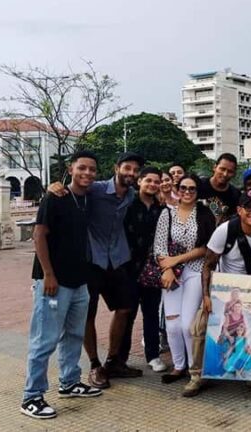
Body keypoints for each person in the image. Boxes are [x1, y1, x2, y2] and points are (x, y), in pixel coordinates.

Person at [49, 152, 146, 388]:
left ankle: (113, 360)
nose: (131, 173)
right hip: (92, 259)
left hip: (118, 258)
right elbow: (72, 190)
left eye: (135, 170)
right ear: (117, 168)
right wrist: (53, 187)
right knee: (87, 314)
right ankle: (94, 365)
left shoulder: (132, 194)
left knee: (125, 308)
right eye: (127, 168)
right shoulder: (97, 189)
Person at [21, 151, 103, 420]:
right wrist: (48, 275)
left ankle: (69, 381)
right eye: (82, 168)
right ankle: (32, 396)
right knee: (44, 339)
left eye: (92, 169)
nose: (87, 173)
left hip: (80, 281)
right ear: (71, 168)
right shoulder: (54, 198)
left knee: (74, 335)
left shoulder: (88, 198)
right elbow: (39, 235)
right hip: (53, 281)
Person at [194, 190, 251, 396]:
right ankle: (198, 375)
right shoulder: (224, 231)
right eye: (248, 208)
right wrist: (207, 297)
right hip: (227, 289)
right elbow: (208, 265)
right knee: (202, 327)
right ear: (239, 210)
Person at [155, 175, 215, 390]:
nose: (187, 192)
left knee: (188, 324)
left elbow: (206, 247)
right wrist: (168, 268)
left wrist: (176, 261)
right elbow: (159, 246)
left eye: (192, 189)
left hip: (195, 272)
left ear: (198, 192)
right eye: (183, 188)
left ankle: (194, 369)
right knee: (172, 325)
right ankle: (178, 365)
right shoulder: (166, 214)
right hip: (170, 273)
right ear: (177, 189)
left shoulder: (204, 214)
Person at [118, 167, 167, 374]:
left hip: (151, 270)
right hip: (128, 268)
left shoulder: (161, 210)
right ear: (139, 182)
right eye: (148, 180)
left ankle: (153, 356)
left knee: (151, 314)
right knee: (126, 314)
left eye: (156, 182)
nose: (152, 185)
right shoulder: (128, 205)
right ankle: (120, 358)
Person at [198, 153, 241, 225]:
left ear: (234, 174)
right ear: (215, 167)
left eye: (230, 171)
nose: (225, 174)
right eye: (222, 169)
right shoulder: (199, 185)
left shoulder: (235, 195)